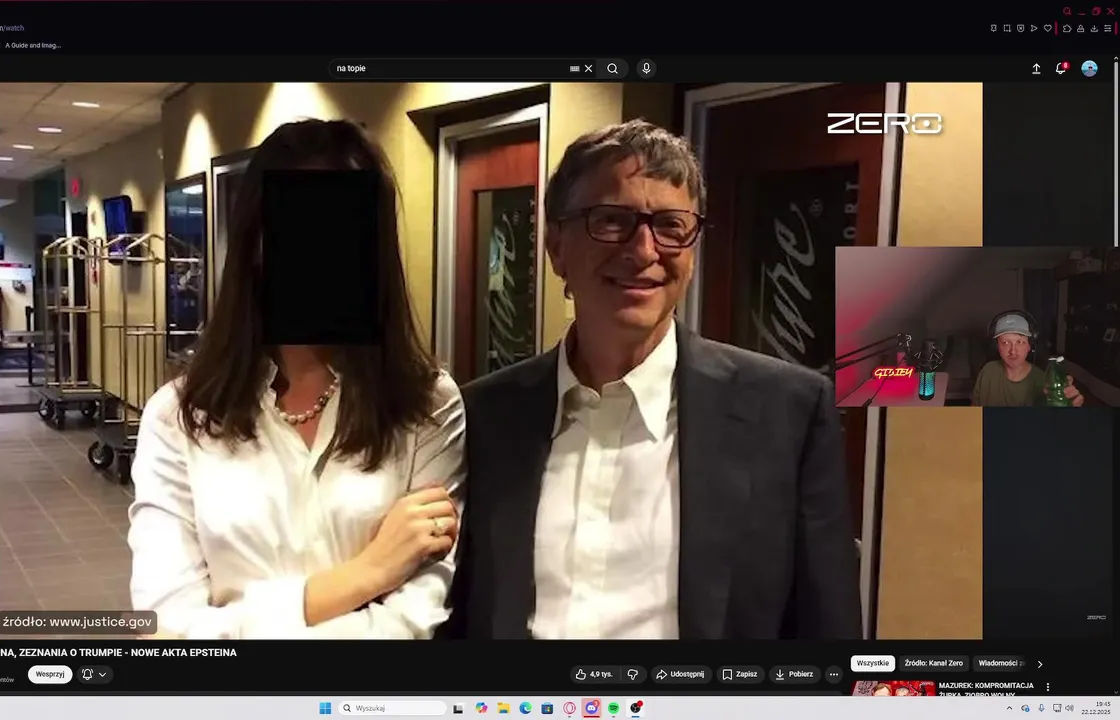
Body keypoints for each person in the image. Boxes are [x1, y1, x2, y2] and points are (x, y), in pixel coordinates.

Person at [438, 119, 860, 640]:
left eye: (671, 225)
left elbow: (828, 627)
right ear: (555, 246)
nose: (643, 251)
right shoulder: (481, 416)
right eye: (610, 220)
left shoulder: (787, 412)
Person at [128, 119, 465, 639]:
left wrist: (234, 626)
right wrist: (368, 573)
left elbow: (412, 620)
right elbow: (167, 625)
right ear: (256, 245)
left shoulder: (427, 403)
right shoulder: (179, 415)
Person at [971, 311, 1084, 407]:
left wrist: (1068, 408)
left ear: (1029, 346)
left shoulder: (1044, 381)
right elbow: (974, 411)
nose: (1013, 351)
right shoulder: (987, 371)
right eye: (1005, 343)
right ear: (997, 346)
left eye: (1020, 342)